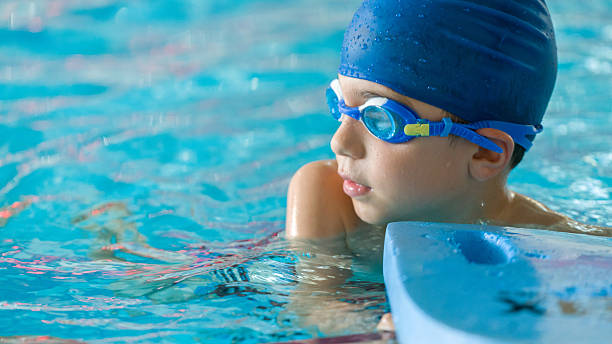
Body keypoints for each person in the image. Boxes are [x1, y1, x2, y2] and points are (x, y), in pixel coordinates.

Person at [284, 0, 611, 333]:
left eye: (379, 119)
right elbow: (312, 304)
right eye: (341, 104)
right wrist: (371, 328)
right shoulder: (326, 195)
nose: (339, 143)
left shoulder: (545, 240)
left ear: (486, 153)